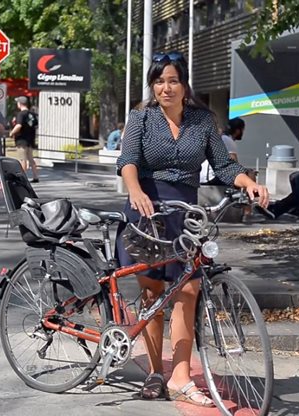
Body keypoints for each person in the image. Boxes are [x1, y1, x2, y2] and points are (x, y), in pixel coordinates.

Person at [115, 51, 269, 407]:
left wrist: (248, 182)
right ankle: (156, 372)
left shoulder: (203, 121)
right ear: (152, 86)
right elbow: (128, 161)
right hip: (147, 210)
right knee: (154, 295)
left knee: (188, 290)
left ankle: (181, 377)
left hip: (186, 212)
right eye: (159, 81)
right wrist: (135, 191)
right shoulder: (141, 117)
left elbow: (222, 165)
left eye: (172, 80)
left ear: (184, 84)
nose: (165, 88)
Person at [200, 117, 249, 185]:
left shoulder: (223, 138)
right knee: (248, 175)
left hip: (203, 176)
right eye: (243, 130)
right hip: (212, 177)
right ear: (238, 130)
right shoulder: (228, 140)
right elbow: (234, 164)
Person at [9, 96, 39, 183]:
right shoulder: (32, 114)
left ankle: (23, 178)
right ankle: (35, 177)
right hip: (30, 139)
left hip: (22, 139)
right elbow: (35, 125)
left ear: (20, 103)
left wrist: (12, 133)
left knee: (23, 159)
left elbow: (19, 126)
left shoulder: (21, 114)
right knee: (31, 159)